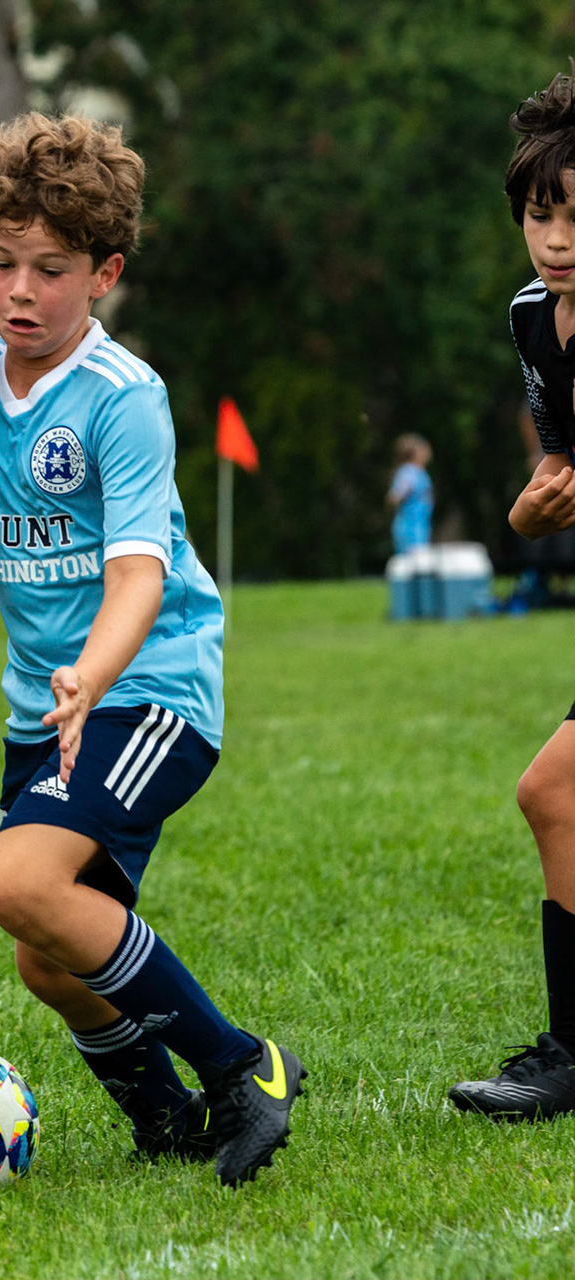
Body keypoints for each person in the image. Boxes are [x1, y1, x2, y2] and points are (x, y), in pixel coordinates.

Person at [0, 113, 305, 1189]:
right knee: (45, 953)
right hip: (46, 704)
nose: (18, 291)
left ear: (106, 273)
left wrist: (95, 673)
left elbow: (141, 573)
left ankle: (244, 1066)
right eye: (2, 263)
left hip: (150, 687)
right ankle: (168, 1121)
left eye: (51, 269)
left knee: (15, 874)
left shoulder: (122, 398)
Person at [447, 72, 575, 1120]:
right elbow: (558, 472)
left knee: (555, 791)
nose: (558, 239)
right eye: (542, 213)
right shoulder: (534, 320)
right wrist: (533, 513)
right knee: (556, 794)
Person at [388, 433, 435, 554]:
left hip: (420, 523)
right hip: (410, 526)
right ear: (416, 453)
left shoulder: (418, 472)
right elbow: (394, 496)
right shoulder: (409, 472)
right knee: (413, 561)